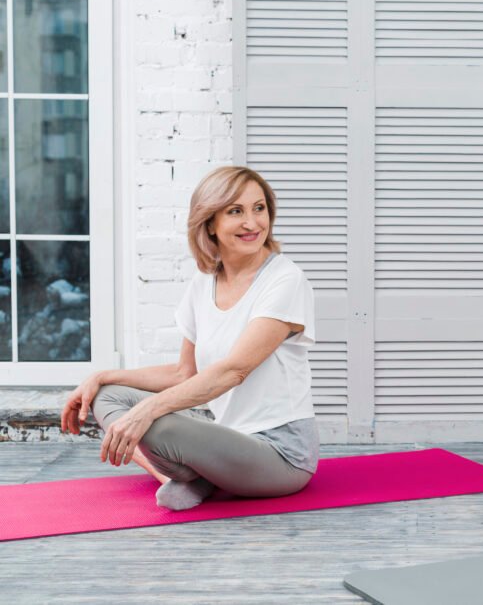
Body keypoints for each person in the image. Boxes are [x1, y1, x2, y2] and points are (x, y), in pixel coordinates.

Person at [61, 166, 319, 511]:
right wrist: (100, 377)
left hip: (280, 454)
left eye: (259, 208)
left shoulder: (285, 279)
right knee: (108, 397)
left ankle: (193, 477)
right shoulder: (203, 285)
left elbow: (234, 371)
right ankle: (198, 477)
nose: (253, 222)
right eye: (235, 211)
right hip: (229, 440)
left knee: (153, 420)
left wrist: (147, 411)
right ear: (209, 223)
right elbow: (185, 373)